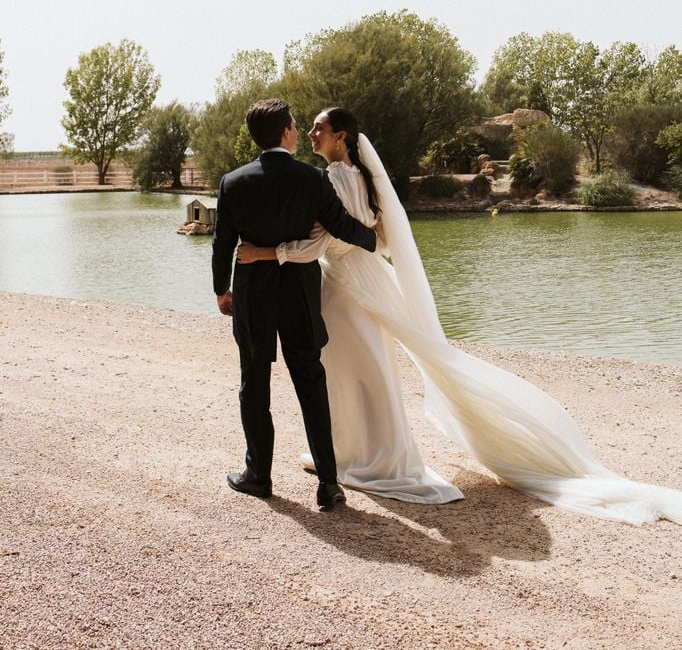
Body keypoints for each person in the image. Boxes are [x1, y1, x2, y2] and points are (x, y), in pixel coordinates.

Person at [238, 107, 682, 525]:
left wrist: (265, 252)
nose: (312, 133)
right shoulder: (363, 178)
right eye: (308, 127)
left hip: (343, 289)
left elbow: (318, 243)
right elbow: (383, 241)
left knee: (349, 372)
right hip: (369, 279)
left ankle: (368, 458)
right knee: (372, 371)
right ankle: (360, 453)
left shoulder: (329, 180)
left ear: (342, 136)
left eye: (319, 128)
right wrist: (356, 245)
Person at [212, 98, 377, 512]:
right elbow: (340, 225)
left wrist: (221, 290)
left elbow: (223, 243)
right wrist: (376, 240)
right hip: (301, 294)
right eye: (295, 125)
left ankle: (258, 476)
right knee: (310, 383)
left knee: (254, 384)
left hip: (254, 293)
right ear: (286, 132)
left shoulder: (233, 182)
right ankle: (327, 484)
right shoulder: (311, 179)